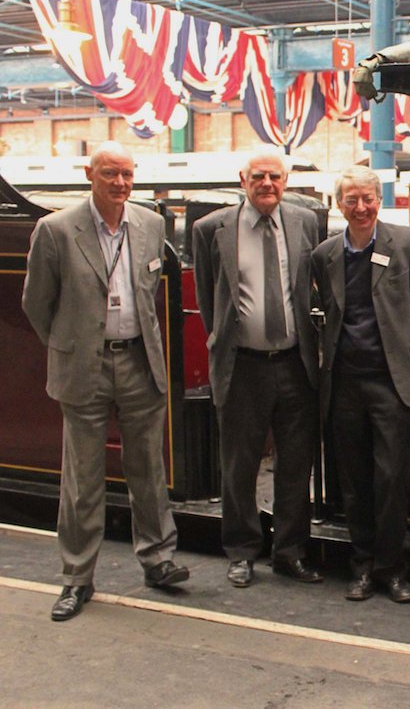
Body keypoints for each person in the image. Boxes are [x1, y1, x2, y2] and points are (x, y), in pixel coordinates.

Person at [23, 141, 189, 621]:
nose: (120, 183)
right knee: (82, 479)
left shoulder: (151, 225)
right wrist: (72, 346)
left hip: (140, 362)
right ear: (89, 174)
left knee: (148, 472)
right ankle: (77, 578)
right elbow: (37, 304)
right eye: (111, 173)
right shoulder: (55, 230)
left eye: (127, 174)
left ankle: (158, 560)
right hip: (85, 369)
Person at [192, 147, 322, 588]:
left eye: (276, 177)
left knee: (296, 463)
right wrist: (226, 346)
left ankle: (290, 552)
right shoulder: (211, 229)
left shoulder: (306, 222)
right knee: (239, 463)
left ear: (286, 181)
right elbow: (209, 301)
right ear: (242, 179)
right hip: (242, 366)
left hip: (295, 363)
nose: (268, 184)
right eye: (258, 176)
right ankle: (242, 551)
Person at [312, 166, 410, 603]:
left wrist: (397, 351)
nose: (360, 208)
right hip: (344, 383)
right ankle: (361, 567)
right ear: (339, 203)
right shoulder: (325, 255)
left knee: (391, 479)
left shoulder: (407, 244)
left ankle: (392, 569)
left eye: (368, 199)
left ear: (379, 200)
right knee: (354, 481)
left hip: (391, 382)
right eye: (351, 200)